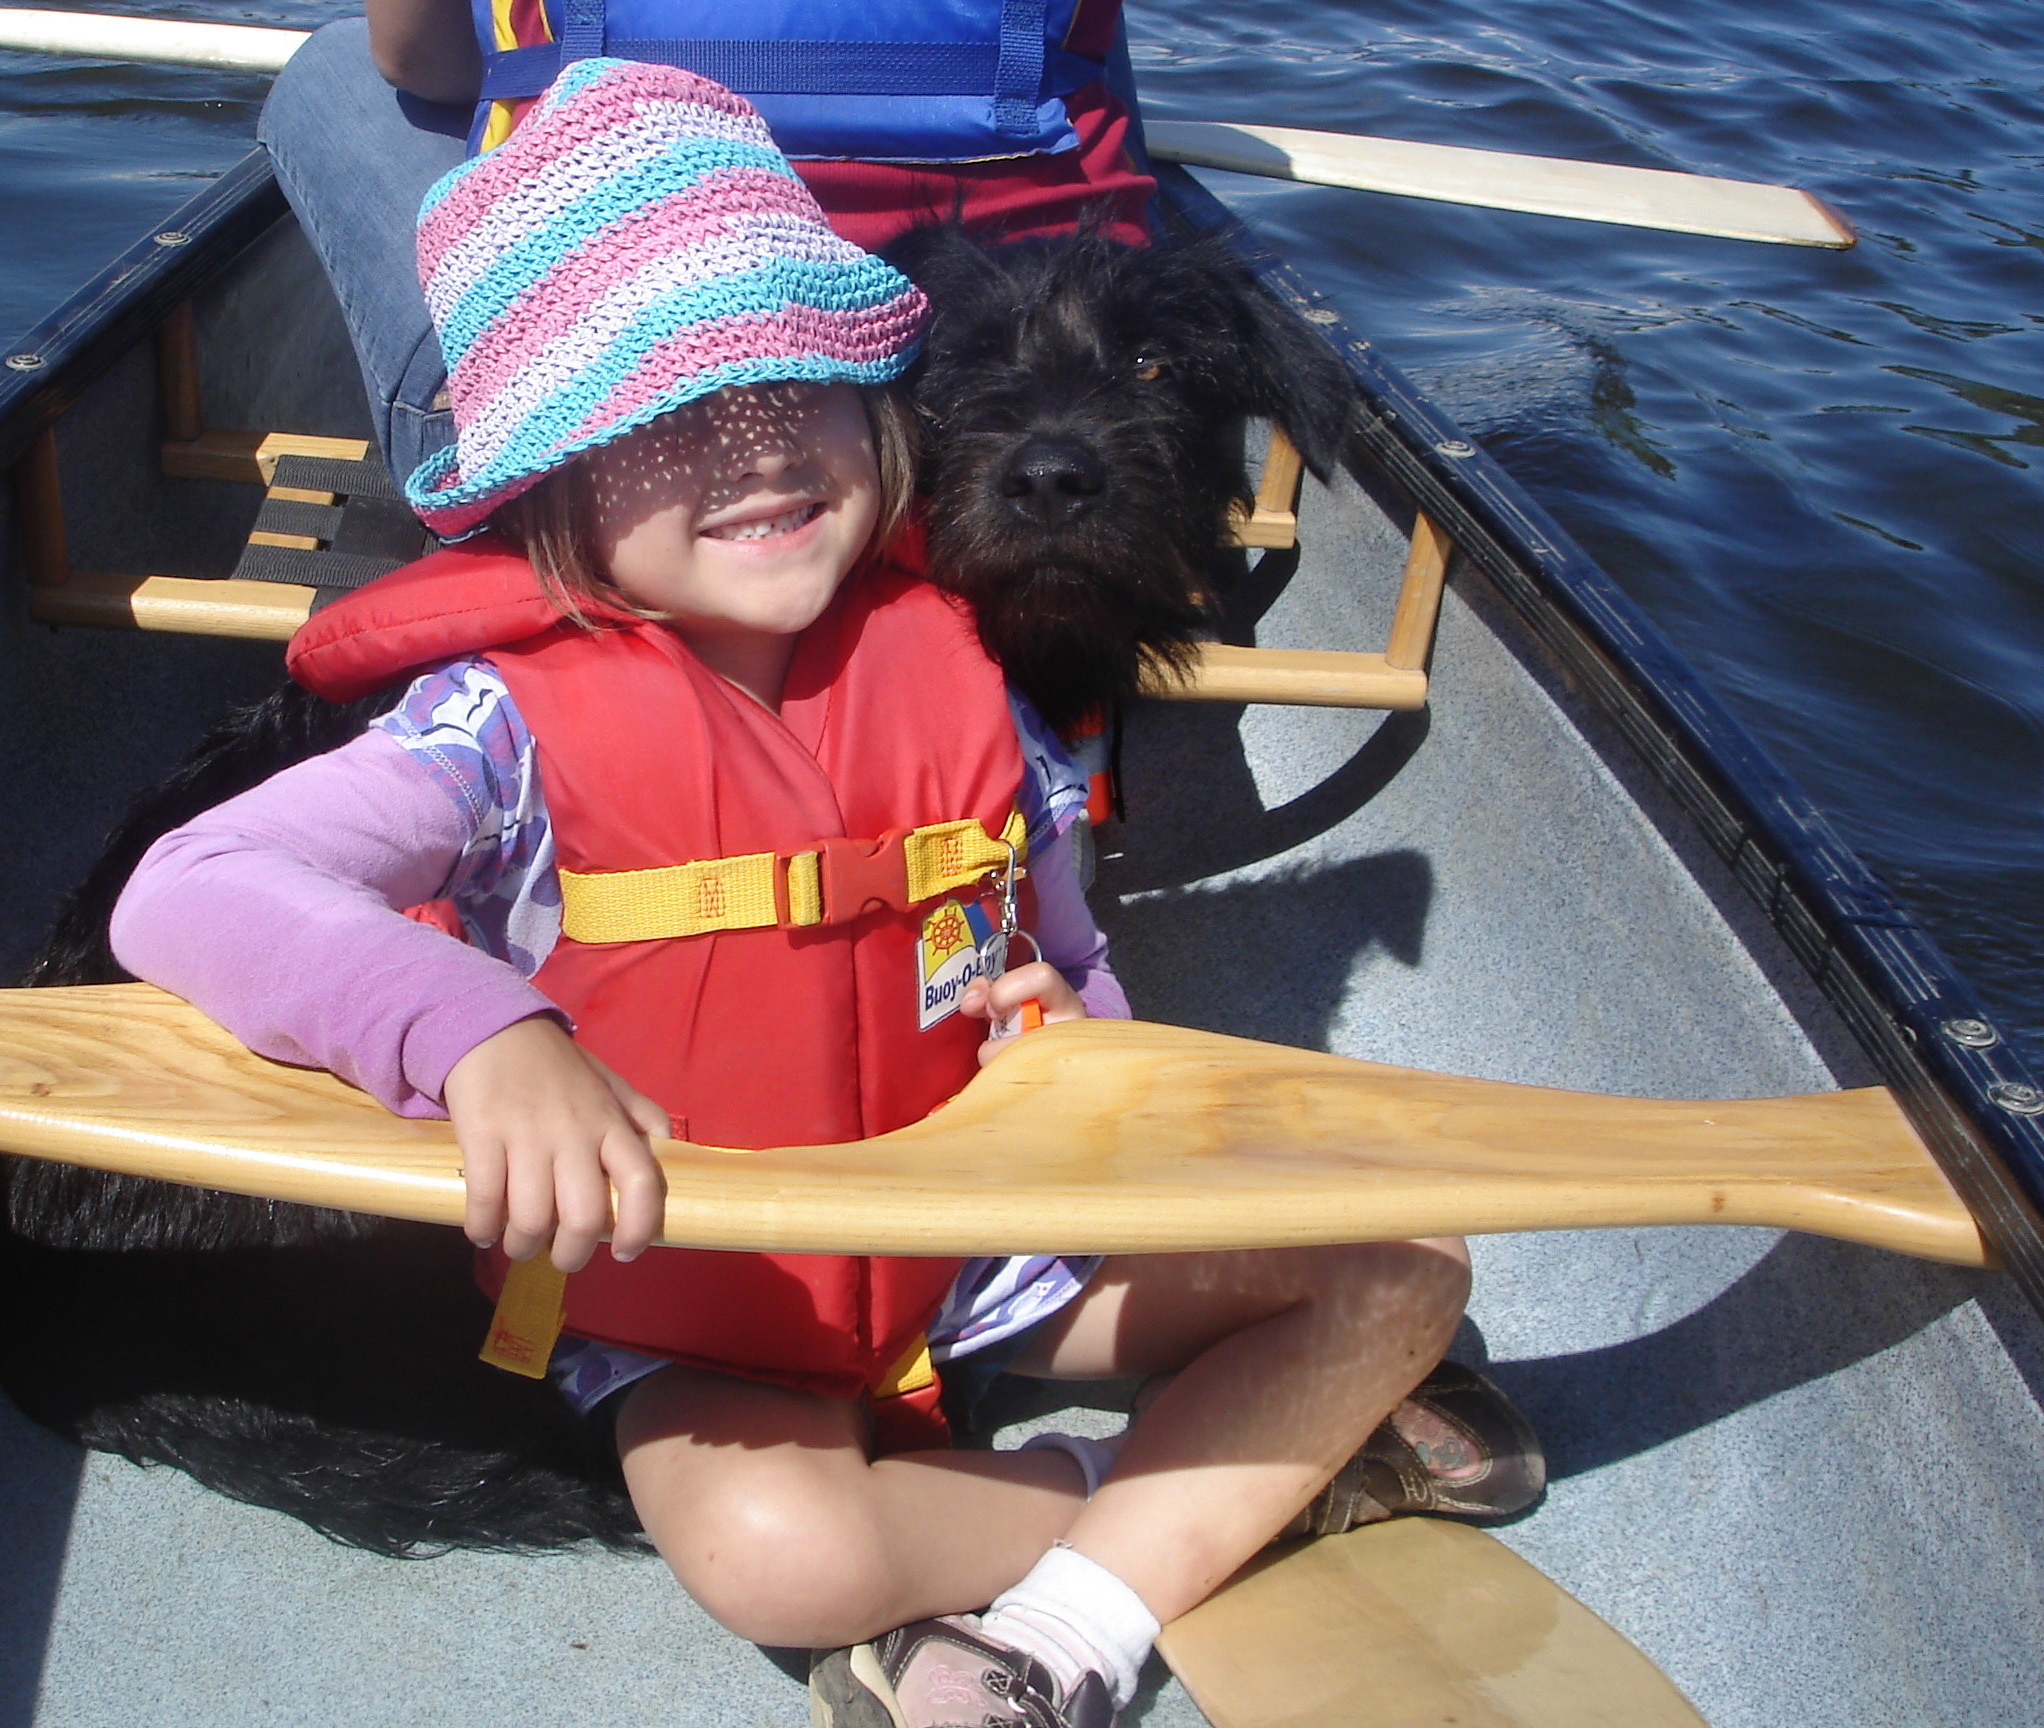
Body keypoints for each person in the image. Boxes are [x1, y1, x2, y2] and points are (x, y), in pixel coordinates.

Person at [121, 61, 1501, 1728]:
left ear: (880, 415)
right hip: (717, 1287)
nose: (757, 449)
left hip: (978, 1241)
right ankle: (1161, 1523)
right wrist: (484, 1035)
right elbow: (198, 882)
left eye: (799, 384)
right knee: (778, 1547)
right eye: (666, 412)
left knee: (1406, 1264)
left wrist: (1074, 1038)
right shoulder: (493, 728)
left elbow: (1065, 950)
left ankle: (1054, 1619)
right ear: (544, 487)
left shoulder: (968, 675)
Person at [257, 0, 1163, 490]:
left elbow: (418, 59)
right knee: (1080, 46)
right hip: (1017, 402)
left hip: (594, 438)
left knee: (335, 63)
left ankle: (469, 447)